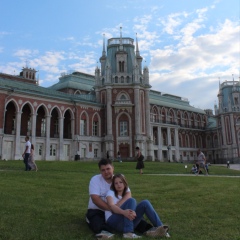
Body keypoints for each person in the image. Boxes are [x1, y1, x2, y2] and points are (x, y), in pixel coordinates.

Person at [86, 158, 152, 239]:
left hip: (117, 209)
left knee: (132, 215)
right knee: (97, 221)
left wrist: (119, 206)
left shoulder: (118, 179)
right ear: (100, 171)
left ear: (113, 168)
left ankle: (150, 230)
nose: (106, 172)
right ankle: (105, 234)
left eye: (108, 169)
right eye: (103, 170)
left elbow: (128, 193)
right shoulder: (95, 179)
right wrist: (113, 209)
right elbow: (95, 199)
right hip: (98, 210)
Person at [105, 174, 170, 238]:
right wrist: (124, 212)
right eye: (116, 183)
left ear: (125, 183)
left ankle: (161, 229)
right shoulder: (110, 193)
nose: (118, 185)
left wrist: (133, 212)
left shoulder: (126, 193)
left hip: (124, 222)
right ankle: (128, 233)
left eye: (121, 182)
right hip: (113, 221)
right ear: (113, 185)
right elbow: (112, 207)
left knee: (145, 203)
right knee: (132, 200)